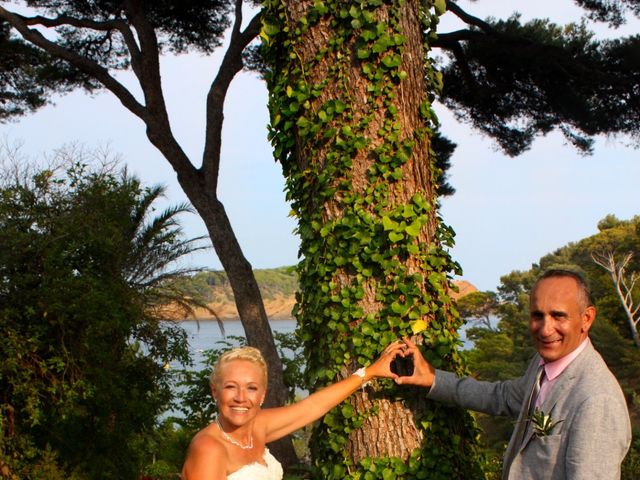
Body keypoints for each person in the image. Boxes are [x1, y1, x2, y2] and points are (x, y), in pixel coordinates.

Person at [387, 269, 632, 479]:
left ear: (586, 318)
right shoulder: (543, 362)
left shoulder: (597, 400)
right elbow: (502, 397)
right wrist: (433, 379)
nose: (546, 329)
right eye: (537, 315)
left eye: (558, 315)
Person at [180, 345, 397, 479]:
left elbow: (313, 407)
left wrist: (369, 373)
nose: (241, 397)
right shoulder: (209, 448)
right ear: (215, 392)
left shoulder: (257, 426)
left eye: (251, 388)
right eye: (230, 387)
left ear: (262, 395)